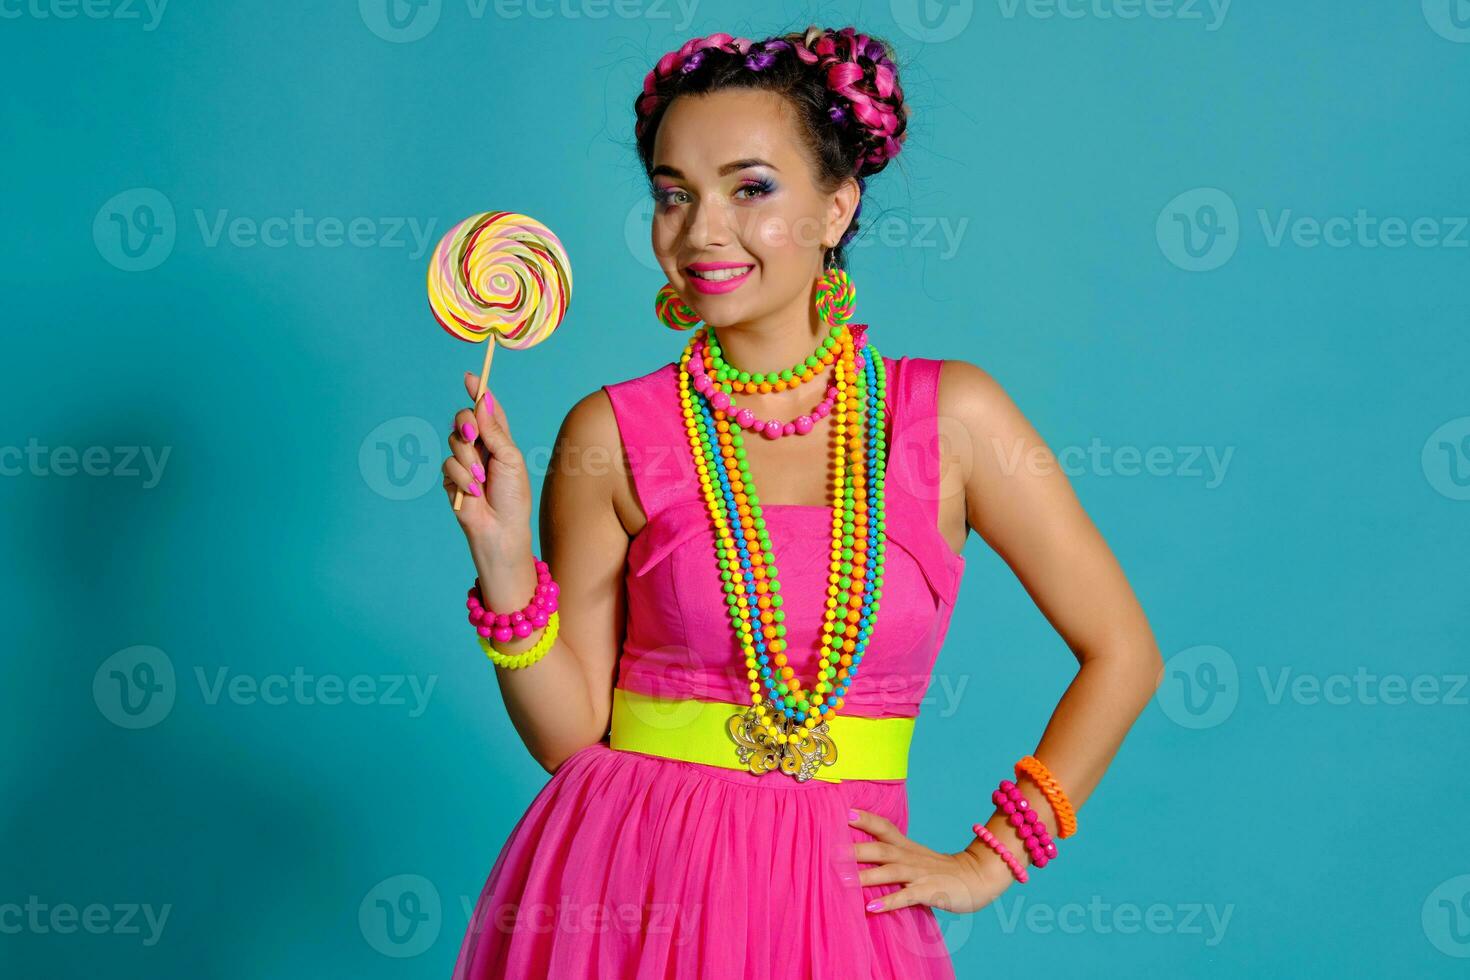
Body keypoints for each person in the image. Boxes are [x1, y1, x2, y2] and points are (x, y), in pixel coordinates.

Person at [440, 26, 1163, 979]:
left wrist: (994, 860)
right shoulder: (610, 432)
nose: (701, 230)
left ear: (836, 207)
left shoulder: (953, 418)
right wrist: (502, 570)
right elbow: (572, 738)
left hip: (839, 906)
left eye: (751, 188)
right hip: (628, 887)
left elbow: (1127, 655)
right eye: (672, 195)